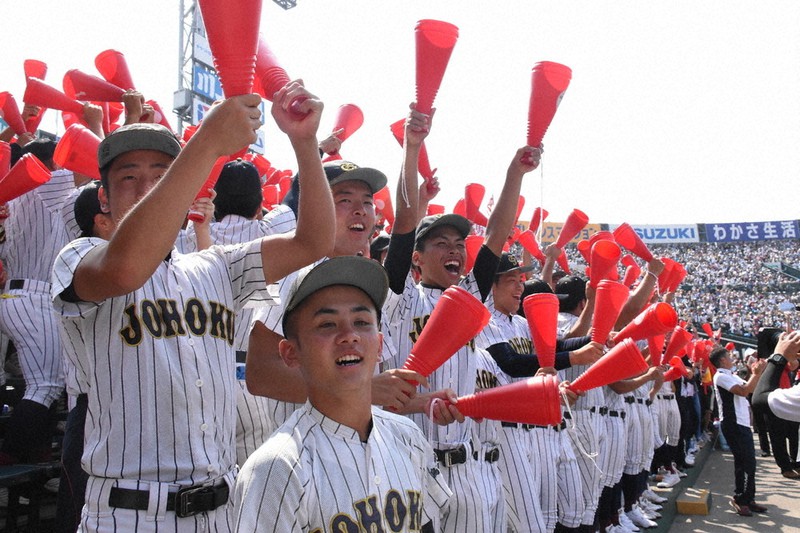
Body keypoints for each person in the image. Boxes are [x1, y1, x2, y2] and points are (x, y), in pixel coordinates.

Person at [51, 82, 335, 530]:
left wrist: (304, 143)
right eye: (129, 177)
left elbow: (314, 240)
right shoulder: (77, 256)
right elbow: (125, 268)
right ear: (102, 197)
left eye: (162, 175)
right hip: (129, 515)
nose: (147, 187)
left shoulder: (216, 265)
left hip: (221, 510)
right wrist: (204, 142)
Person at [234, 256, 452, 532]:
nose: (350, 335)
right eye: (327, 324)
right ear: (291, 353)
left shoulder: (409, 438)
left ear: (380, 344)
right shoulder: (276, 468)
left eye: (361, 322)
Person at [709, 346, 768, 517]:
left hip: (740, 423)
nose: (732, 358)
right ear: (722, 360)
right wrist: (756, 374)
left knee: (749, 462)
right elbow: (743, 391)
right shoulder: (720, 376)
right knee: (744, 462)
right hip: (733, 423)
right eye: (728, 356)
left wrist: (757, 372)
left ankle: (748, 498)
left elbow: (749, 388)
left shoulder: (730, 375)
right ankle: (740, 498)